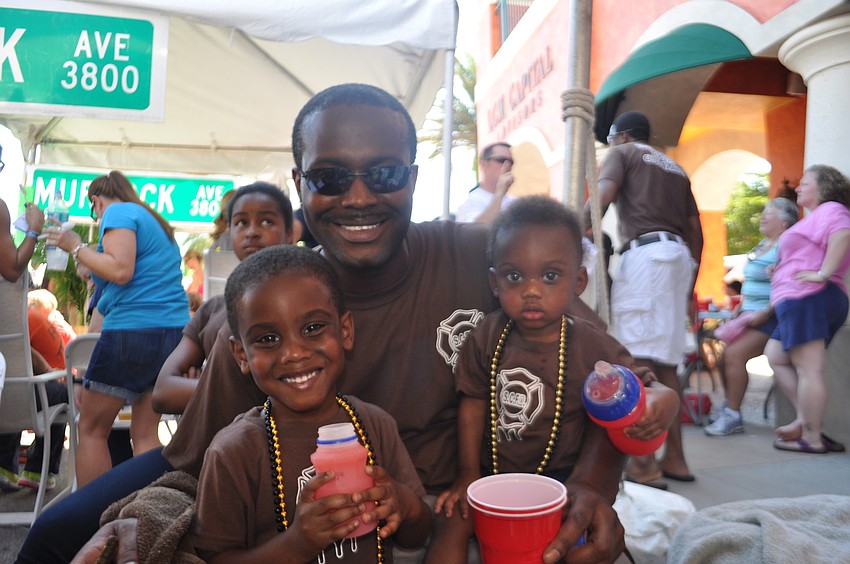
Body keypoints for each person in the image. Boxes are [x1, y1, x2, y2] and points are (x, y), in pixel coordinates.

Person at [17, 84, 625, 564]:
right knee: (54, 536)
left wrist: (594, 483)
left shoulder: (489, 261)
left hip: (445, 522)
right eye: (330, 179)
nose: (358, 197)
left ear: (413, 178)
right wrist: (136, 514)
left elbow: (612, 380)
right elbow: (192, 463)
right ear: (300, 184)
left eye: (384, 174)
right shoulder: (268, 312)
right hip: (305, 532)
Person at [426, 196, 680, 562]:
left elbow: (641, 385)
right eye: (515, 276)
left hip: (562, 487)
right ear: (494, 282)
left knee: (572, 541)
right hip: (492, 481)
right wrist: (467, 475)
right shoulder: (485, 336)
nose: (531, 290)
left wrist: (666, 398)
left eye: (550, 276)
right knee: (451, 521)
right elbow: (472, 405)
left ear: (578, 281)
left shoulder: (592, 344)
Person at [193, 244, 431, 561]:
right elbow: (214, 558)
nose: (294, 353)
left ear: (345, 331)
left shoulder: (376, 425)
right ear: (241, 355)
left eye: (312, 328)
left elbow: (417, 535)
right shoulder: (233, 451)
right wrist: (296, 543)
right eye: (267, 339)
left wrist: (404, 503)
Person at [44, 170, 189, 487]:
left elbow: (121, 270)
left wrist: (75, 246)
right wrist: (92, 264)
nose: (98, 219)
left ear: (96, 201)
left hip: (133, 332)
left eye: (94, 212)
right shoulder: (152, 221)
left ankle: (94, 513)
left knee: (92, 430)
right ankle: (153, 507)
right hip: (172, 333)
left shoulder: (118, 212)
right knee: (145, 433)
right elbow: (126, 274)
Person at [583, 111, 703, 485]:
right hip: (678, 259)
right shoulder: (676, 168)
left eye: (610, 140)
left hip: (647, 257)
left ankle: (644, 464)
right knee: (667, 364)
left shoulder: (623, 153)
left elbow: (603, 196)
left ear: (621, 136)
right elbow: (696, 231)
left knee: (636, 357)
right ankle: (676, 460)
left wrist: (572, 229)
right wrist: (690, 283)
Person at [151, 181, 294, 415]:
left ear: (290, 234)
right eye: (241, 222)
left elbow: (285, 395)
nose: (252, 231)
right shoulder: (212, 310)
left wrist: (203, 383)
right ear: (230, 232)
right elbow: (162, 393)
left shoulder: (299, 305)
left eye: (267, 221)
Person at [765, 165, 850, 454]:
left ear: (824, 188)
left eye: (805, 183)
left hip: (808, 298)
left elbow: (843, 234)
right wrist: (781, 269)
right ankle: (806, 420)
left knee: (808, 369)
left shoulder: (832, 210)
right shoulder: (816, 217)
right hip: (800, 299)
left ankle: (812, 438)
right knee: (775, 355)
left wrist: (823, 273)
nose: (798, 188)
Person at [705, 198, 798, 436]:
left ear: (785, 221)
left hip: (770, 316)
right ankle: (729, 407)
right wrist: (740, 307)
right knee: (724, 358)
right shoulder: (764, 244)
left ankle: (733, 415)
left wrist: (767, 310)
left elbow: (787, 282)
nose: (763, 216)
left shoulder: (787, 243)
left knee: (734, 355)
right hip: (748, 314)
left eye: (770, 213)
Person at [0, 198, 67, 492]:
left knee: (16, 381)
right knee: (60, 392)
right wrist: (33, 230)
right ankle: (40, 471)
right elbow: (13, 269)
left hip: (11, 381)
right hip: (14, 388)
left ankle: (5, 466)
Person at [455, 142, 515, 223]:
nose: (507, 165)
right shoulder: (471, 202)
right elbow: (478, 228)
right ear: (484, 164)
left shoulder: (514, 201)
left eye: (511, 162)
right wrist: (499, 193)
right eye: (501, 160)